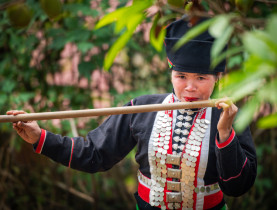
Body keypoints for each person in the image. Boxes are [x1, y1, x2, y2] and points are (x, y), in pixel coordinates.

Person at [7, 18, 257, 210]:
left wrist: (225, 133)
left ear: (217, 79)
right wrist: (40, 137)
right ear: (171, 74)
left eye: (201, 78)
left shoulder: (230, 117)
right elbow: (94, 154)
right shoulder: (141, 109)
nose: (190, 87)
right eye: (181, 76)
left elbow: (237, 186)